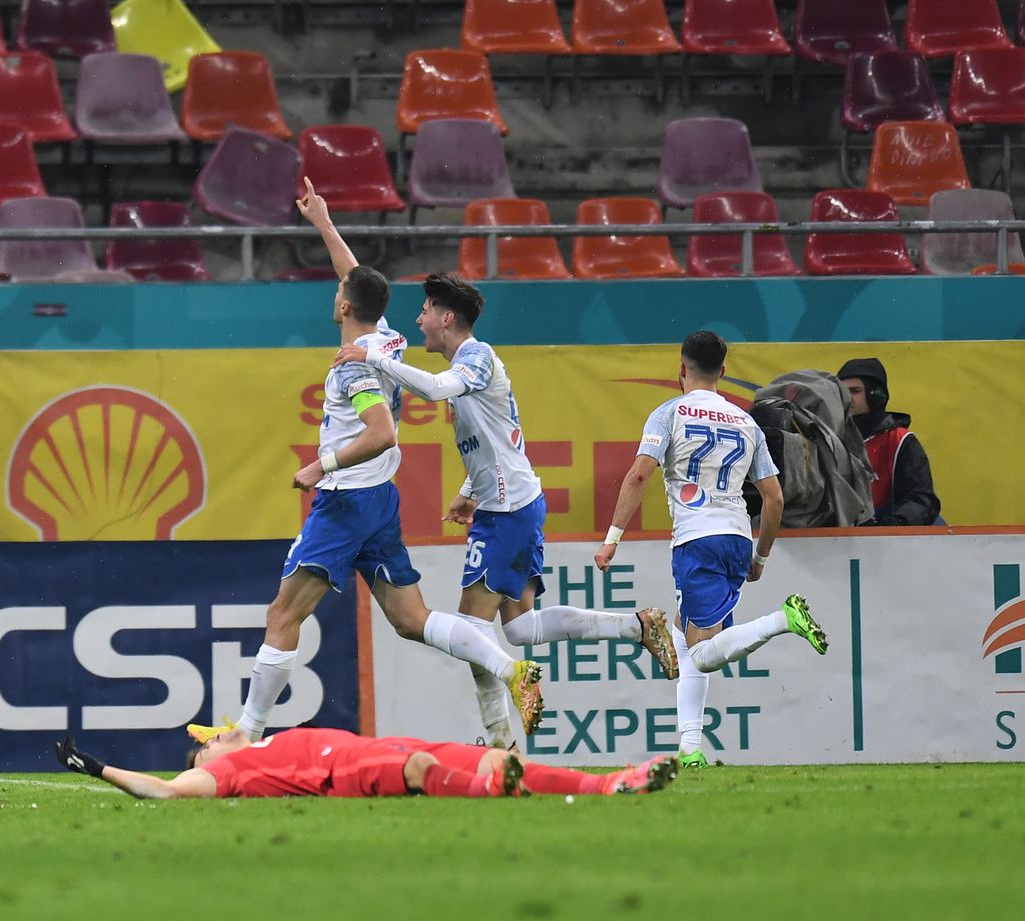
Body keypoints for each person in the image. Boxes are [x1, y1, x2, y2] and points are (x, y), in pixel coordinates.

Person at [236, 179, 543, 744]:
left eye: (339, 294)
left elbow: (382, 434)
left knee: (282, 618)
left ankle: (243, 735)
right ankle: (510, 667)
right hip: (379, 503)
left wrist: (320, 465)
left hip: (346, 500)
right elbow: (356, 280)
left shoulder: (353, 364)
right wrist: (323, 223)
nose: (336, 295)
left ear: (344, 307)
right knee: (412, 621)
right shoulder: (390, 341)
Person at [334, 273, 677, 750]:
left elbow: (433, 390)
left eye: (426, 310)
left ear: (446, 317)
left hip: (508, 511)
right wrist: (468, 488)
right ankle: (638, 625)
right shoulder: (468, 363)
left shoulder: (475, 355)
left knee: (472, 631)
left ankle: (500, 744)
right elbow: (497, 437)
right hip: (510, 502)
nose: (419, 320)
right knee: (519, 628)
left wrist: (371, 355)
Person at [593, 331, 829, 770]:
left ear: (681, 368)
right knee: (684, 637)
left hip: (697, 540)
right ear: (723, 371)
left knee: (703, 652)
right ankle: (691, 747)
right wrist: (760, 557)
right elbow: (774, 498)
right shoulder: (747, 423)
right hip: (737, 537)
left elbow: (639, 476)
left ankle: (783, 619)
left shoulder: (669, 413)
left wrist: (611, 539)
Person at [54, 727, 679, 800]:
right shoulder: (225, 773)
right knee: (413, 775)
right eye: (208, 739)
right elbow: (165, 792)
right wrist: (98, 767)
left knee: (494, 754)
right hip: (343, 776)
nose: (215, 737)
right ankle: (496, 793)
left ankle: (607, 784)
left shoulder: (263, 740)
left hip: (379, 744)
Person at [837, 357, 941, 526]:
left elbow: (922, 500)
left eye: (854, 391)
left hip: (892, 538)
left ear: (875, 395)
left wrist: (895, 523)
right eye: (842, 392)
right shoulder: (831, 440)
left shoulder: (899, 440)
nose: (847, 399)